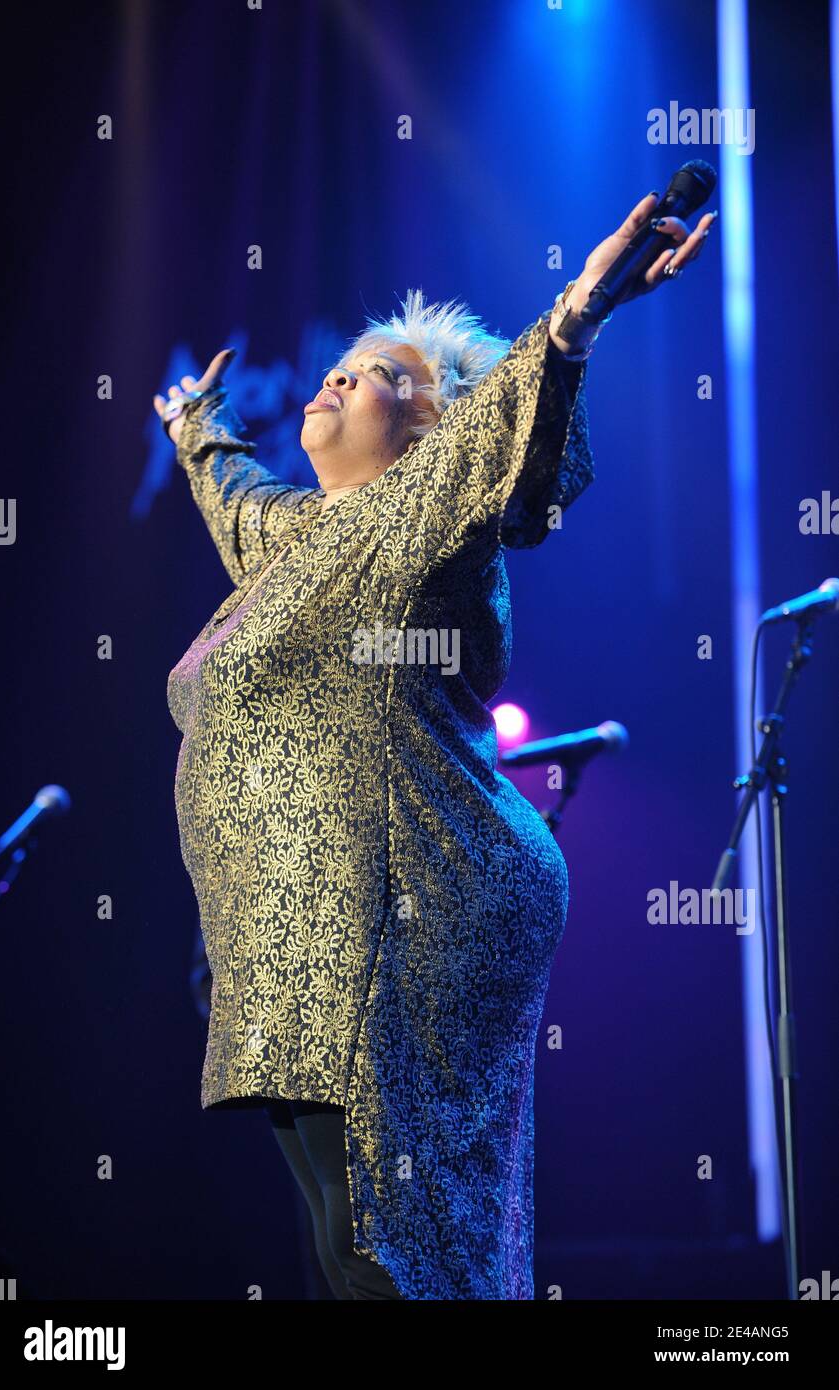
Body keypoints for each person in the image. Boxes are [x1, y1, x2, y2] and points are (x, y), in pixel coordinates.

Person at [155, 192, 714, 1300]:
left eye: (384, 374)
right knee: (342, 1237)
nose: (342, 376)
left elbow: (511, 423)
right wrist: (196, 427)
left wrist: (578, 312)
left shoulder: (427, 511)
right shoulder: (302, 543)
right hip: (292, 932)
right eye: (344, 363)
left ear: (435, 432)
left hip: (410, 895)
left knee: (391, 1238)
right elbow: (238, 503)